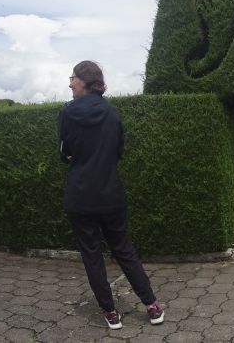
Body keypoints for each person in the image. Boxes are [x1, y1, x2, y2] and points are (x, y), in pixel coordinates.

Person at [58, 61, 164, 330]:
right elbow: (118, 152)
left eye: (72, 78)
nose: (70, 84)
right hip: (110, 195)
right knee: (124, 250)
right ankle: (152, 306)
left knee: (92, 255)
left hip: (80, 197)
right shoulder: (113, 113)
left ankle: (111, 313)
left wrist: (75, 156)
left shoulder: (67, 113)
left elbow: (63, 152)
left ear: (83, 81)